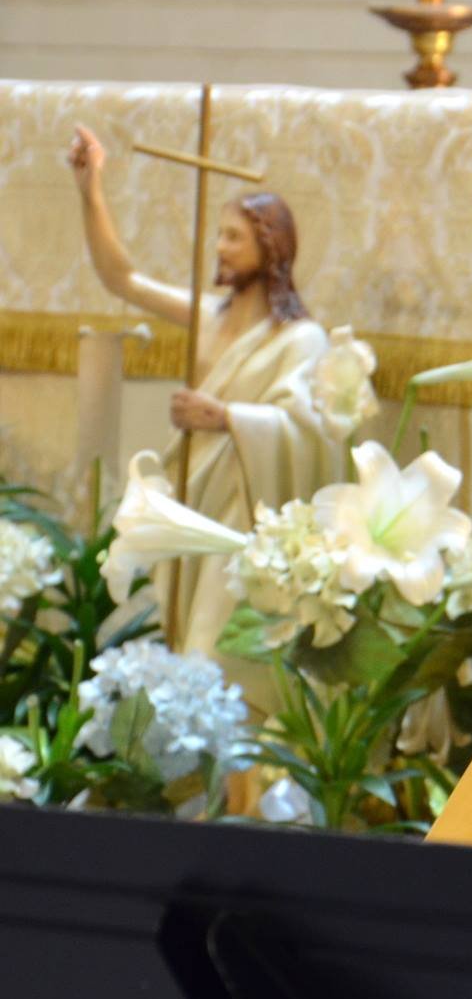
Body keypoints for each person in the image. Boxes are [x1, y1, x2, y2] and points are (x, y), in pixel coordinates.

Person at [68, 126, 336, 662]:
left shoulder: (301, 338)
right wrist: (88, 187)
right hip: (193, 495)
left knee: (211, 644)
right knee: (178, 630)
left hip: (243, 508)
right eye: (219, 235)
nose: (220, 248)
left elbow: (309, 430)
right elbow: (122, 279)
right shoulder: (207, 319)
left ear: (270, 244)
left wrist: (226, 415)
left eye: (234, 237)